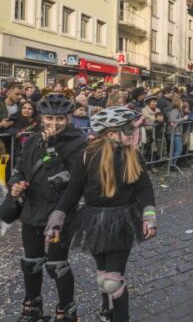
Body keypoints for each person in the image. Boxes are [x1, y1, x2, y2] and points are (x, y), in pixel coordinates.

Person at [45, 106, 157, 322]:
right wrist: (57, 218)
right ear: (112, 134)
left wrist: (149, 214)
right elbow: (73, 191)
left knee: (113, 281)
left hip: (122, 221)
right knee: (102, 277)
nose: (132, 133)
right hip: (94, 221)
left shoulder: (133, 155)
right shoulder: (87, 156)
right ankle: (107, 311)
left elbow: (145, 187)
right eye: (127, 129)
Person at [8, 93, 86, 321]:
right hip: (33, 208)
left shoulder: (78, 143)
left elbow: (67, 183)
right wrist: (15, 185)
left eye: (60, 118)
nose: (54, 123)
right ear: (42, 117)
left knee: (56, 265)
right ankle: (32, 307)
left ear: (68, 118)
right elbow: (19, 168)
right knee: (31, 262)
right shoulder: (32, 140)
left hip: (61, 211)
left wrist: (50, 150)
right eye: (49, 118)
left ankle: (67, 311)